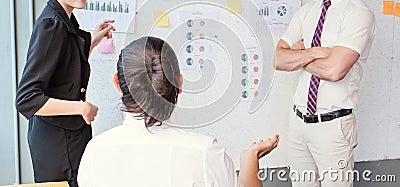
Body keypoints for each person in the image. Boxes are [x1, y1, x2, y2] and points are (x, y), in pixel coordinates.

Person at [77, 36, 279, 187]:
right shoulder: (205, 152)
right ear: (179, 84)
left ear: (118, 84)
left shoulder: (94, 152)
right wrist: (250, 159)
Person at [275, 0, 375, 187]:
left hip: (333, 129)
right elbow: (278, 59)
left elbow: (334, 70)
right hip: (298, 124)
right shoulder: (307, 11)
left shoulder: (358, 14)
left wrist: (298, 55)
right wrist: (316, 52)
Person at [16, 0, 115, 187]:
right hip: (57, 140)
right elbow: (27, 99)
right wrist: (81, 108)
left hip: (68, 134)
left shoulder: (64, 17)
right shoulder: (52, 25)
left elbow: (67, 65)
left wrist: (94, 38)